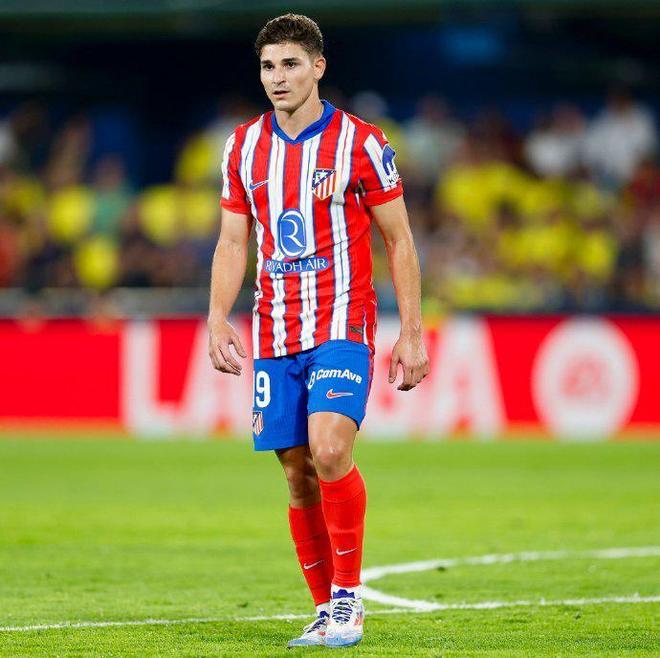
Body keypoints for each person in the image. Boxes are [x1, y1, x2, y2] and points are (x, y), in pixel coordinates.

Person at [208, 13, 429, 648]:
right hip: (275, 330)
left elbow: (399, 240)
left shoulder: (362, 142)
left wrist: (412, 332)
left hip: (342, 323)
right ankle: (325, 607)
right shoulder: (242, 148)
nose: (277, 78)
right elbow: (233, 241)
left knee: (330, 451)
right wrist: (217, 316)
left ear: (318, 67)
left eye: (290, 64)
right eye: (268, 67)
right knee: (297, 473)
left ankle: (349, 599)